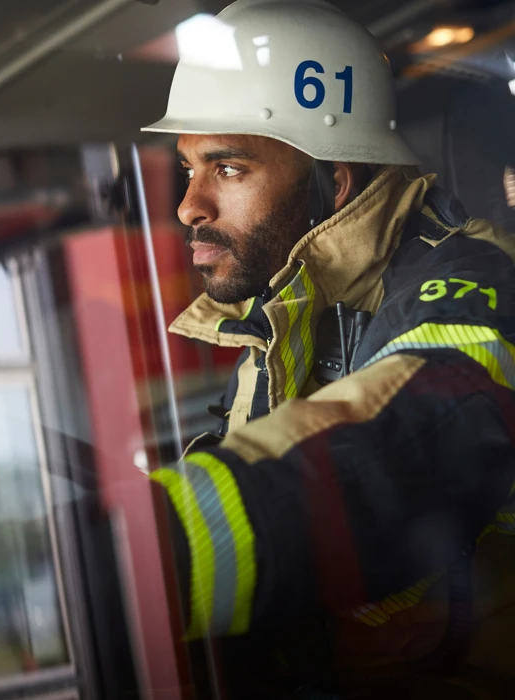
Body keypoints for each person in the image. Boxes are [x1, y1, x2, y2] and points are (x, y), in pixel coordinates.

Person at [143, 0, 515, 696]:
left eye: (225, 167)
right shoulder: (291, 316)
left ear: (331, 184)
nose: (188, 204)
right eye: (188, 165)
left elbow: (407, 444)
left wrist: (137, 558)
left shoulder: (477, 285)